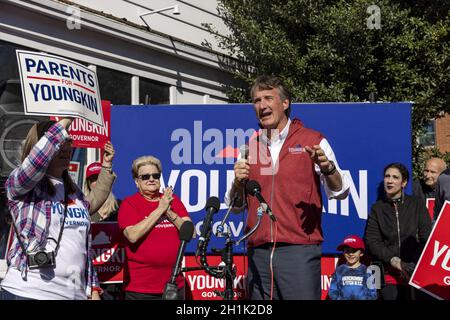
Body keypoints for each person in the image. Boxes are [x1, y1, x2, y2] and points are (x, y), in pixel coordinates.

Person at [226, 75, 350, 300]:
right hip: (258, 253)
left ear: (285, 103)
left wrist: (328, 168)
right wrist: (237, 183)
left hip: (298, 250)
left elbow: (341, 192)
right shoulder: (250, 146)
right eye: (256, 100)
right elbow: (235, 207)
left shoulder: (313, 140)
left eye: (268, 98)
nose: (261, 105)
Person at [0, 118, 114, 300]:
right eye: (61, 141)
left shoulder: (74, 192)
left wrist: (93, 288)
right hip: (29, 293)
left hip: (72, 294)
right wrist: (69, 118)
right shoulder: (20, 185)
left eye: (69, 141)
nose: (67, 146)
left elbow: (80, 244)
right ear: (41, 146)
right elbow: (36, 161)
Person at [118, 155, 191, 300]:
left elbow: (191, 232)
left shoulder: (172, 200)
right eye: (145, 176)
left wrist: (168, 211)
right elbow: (132, 235)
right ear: (137, 182)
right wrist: (159, 209)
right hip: (141, 289)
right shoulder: (129, 204)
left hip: (174, 285)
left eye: (155, 175)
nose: (151, 179)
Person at [365, 162, 432, 300]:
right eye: (387, 176)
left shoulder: (417, 204)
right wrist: (395, 261)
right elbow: (372, 241)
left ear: (404, 182)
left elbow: (426, 236)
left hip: (415, 273)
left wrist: (411, 265)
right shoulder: (377, 208)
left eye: (395, 177)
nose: (389, 180)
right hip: (388, 273)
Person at [328, 235, 377, 300]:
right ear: (343, 252)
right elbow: (332, 291)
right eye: (347, 251)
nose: (351, 254)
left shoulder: (367, 271)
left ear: (361, 253)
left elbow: (373, 293)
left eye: (354, 251)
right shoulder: (339, 270)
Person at [83, 145, 120, 223]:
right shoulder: (83, 208)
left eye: (100, 178)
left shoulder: (120, 206)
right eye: (93, 179)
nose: (98, 182)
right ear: (88, 184)